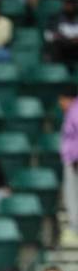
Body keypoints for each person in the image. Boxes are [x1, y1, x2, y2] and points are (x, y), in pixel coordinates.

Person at [59, 86, 78, 246]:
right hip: (72, 160)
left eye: (62, 99)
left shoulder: (75, 110)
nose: (60, 103)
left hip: (75, 161)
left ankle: (75, 230)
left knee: (73, 197)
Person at [45, 0, 78, 71]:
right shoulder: (54, 19)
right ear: (63, 2)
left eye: (72, 2)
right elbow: (48, 36)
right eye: (67, 2)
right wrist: (68, 40)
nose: (70, 5)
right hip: (61, 55)